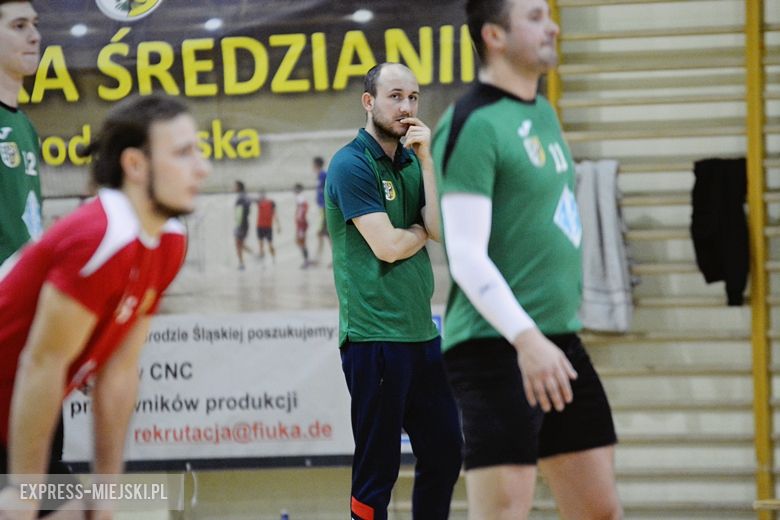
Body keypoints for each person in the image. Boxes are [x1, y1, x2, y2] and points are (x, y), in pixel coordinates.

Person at [431, 1, 622, 519]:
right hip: (497, 349)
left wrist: (543, 340)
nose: (552, 25)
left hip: (557, 342)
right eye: (535, 16)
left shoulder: (542, 110)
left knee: (599, 511)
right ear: (494, 34)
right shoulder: (472, 124)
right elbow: (465, 256)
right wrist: (526, 339)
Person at [0, 94, 210, 519]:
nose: (202, 167)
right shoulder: (99, 236)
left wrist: (106, 491)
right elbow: (41, 364)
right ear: (135, 165)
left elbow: (119, 370)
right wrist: (24, 493)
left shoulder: (168, 240)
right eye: (184, 152)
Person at [326, 62, 462, 520]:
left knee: (445, 451)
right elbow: (386, 246)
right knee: (376, 472)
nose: (406, 108)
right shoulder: (351, 164)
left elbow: (440, 230)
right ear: (369, 102)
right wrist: (419, 232)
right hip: (374, 339)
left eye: (413, 98)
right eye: (395, 97)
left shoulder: (410, 159)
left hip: (420, 335)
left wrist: (426, 161)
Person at [0, 0, 42, 269]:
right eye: (19, 26)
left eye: (35, 25)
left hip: (19, 296)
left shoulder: (25, 126)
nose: (34, 36)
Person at [313, 156, 330, 265]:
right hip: (321, 209)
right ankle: (318, 258)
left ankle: (319, 259)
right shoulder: (319, 176)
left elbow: (328, 189)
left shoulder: (323, 175)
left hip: (324, 209)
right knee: (322, 234)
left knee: (324, 234)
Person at [255, 188, 280, 262]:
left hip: (266, 226)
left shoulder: (269, 202)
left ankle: (273, 258)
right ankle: (265, 260)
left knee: (268, 244)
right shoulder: (260, 202)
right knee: (262, 244)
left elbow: (274, 214)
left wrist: (278, 225)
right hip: (261, 226)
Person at [233, 180, 252, 270]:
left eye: (235, 186)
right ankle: (244, 262)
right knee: (240, 244)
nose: (233, 188)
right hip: (244, 223)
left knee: (238, 244)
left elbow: (240, 212)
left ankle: (242, 263)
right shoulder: (245, 196)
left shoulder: (241, 198)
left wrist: (239, 224)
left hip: (241, 224)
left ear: (239, 187)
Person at [293, 183, 310, 269]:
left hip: (301, 225)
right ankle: (306, 260)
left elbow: (302, 210)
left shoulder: (300, 198)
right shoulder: (301, 199)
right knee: (299, 242)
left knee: (301, 242)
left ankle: (306, 261)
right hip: (301, 224)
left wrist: (300, 221)